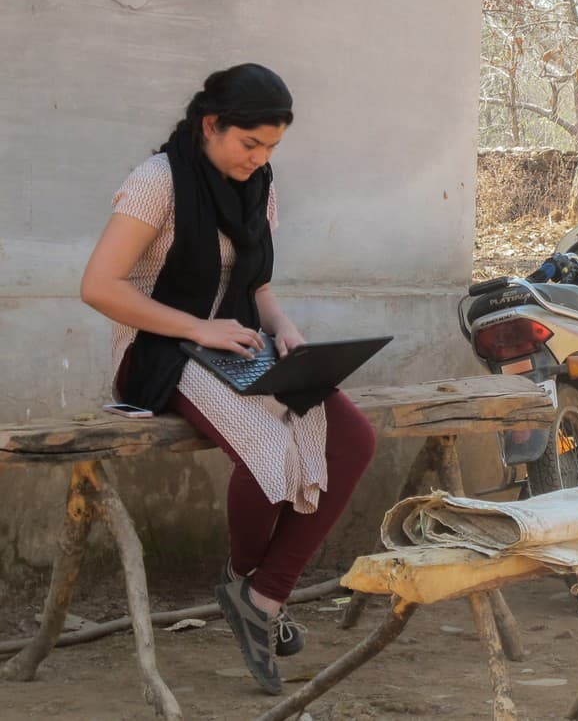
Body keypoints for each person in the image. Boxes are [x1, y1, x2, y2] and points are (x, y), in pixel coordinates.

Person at [80, 64, 376, 695]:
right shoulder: (155, 182)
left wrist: (283, 325)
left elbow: (256, 283)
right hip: (158, 349)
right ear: (211, 124)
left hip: (237, 343)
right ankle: (246, 580)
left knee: (350, 437)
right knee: (272, 446)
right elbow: (98, 287)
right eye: (250, 143)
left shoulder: (257, 182)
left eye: (271, 147)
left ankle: (262, 598)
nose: (260, 158)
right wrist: (198, 328)